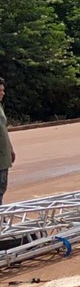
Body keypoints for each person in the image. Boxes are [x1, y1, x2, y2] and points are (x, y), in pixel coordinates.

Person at [0, 77, 14, 205]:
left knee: (2, 186)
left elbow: (3, 129)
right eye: (0, 90)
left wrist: (10, 148)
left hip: (4, 156)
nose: (3, 93)